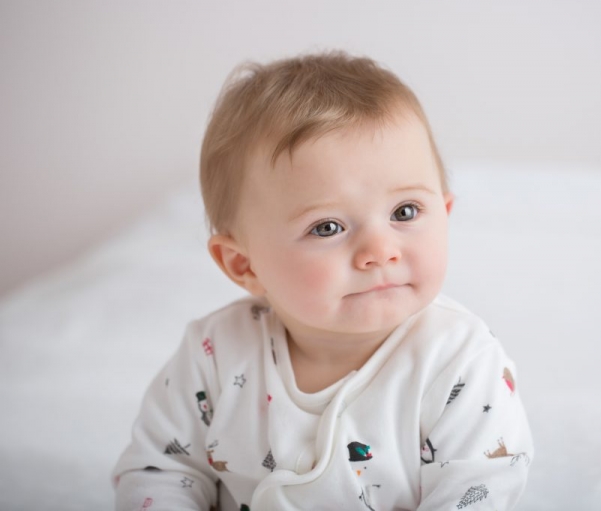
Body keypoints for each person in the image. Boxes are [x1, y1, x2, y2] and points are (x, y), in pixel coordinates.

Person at [112, 51, 533, 510]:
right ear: (243, 265)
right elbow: (163, 470)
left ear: (444, 215)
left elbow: (478, 490)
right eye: (327, 227)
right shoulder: (213, 356)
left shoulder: (458, 361)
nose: (380, 251)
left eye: (405, 212)